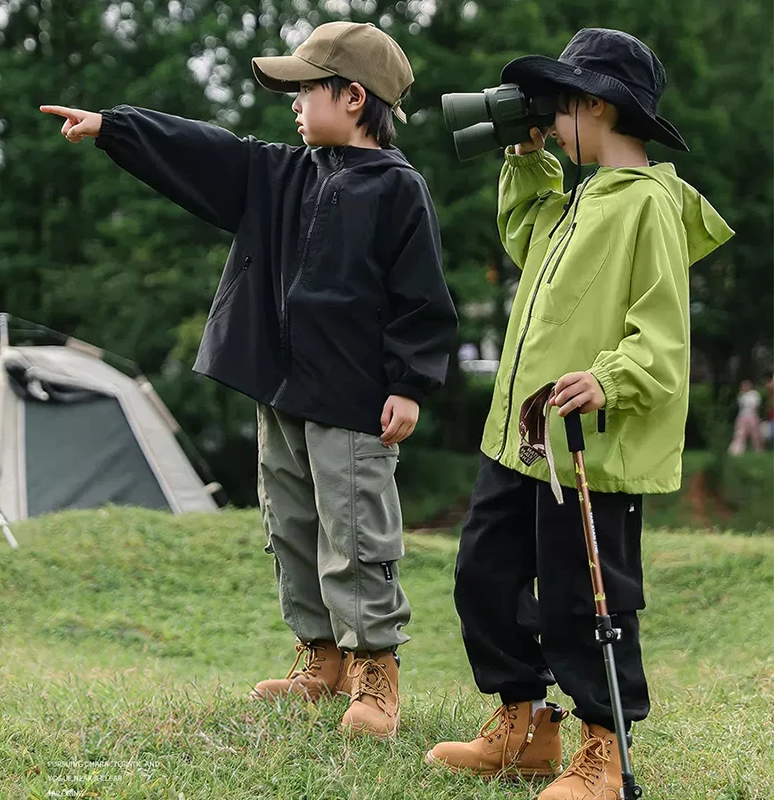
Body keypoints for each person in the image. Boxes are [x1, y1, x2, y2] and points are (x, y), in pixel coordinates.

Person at [40, 21, 457, 740]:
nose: (293, 105)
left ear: (354, 98)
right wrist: (116, 129)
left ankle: (375, 671)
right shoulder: (279, 173)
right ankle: (320, 659)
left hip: (353, 399)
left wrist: (410, 383)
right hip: (279, 390)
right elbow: (204, 151)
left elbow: (424, 299)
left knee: (355, 532)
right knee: (290, 526)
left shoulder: (399, 191)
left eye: (305, 90)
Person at [426, 28, 733, 797]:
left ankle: (603, 746)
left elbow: (663, 334)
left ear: (594, 106)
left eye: (558, 106)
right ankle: (525, 726)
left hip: (587, 444)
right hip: (520, 439)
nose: (550, 119)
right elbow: (524, 240)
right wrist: (527, 159)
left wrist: (609, 377)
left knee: (584, 597)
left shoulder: (650, 208)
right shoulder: (575, 201)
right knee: (482, 576)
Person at [728, 380, 763, 455]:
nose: (743, 388)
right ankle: (737, 449)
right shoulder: (741, 395)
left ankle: (758, 449)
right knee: (740, 433)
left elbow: (756, 405)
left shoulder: (754, 394)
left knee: (755, 434)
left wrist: (755, 415)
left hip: (752, 415)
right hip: (742, 416)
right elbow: (741, 406)